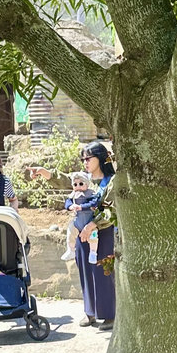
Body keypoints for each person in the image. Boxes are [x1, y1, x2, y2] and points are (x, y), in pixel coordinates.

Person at [76, 141, 116, 330]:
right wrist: (45, 173)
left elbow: (111, 211)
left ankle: (109, 315)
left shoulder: (112, 182)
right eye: (82, 159)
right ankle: (90, 312)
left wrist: (93, 224)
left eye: (88, 158)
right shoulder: (85, 179)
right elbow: (64, 180)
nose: (85, 162)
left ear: (100, 158)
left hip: (105, 234)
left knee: (103, 273)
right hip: (83, 235)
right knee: (86, 271)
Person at [61, 170, 100, 263]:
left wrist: (81, 207)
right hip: (77, 221)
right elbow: (67, 202)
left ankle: (93, 252)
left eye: (81, 184)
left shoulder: (91, 194)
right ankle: (70, 250)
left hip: (89, 221)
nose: (78, 187)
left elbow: (93, 203)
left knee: (93, 236)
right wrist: (70, 206)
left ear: (86, 184)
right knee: (70, 231)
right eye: (75, 184)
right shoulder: (73, 194)